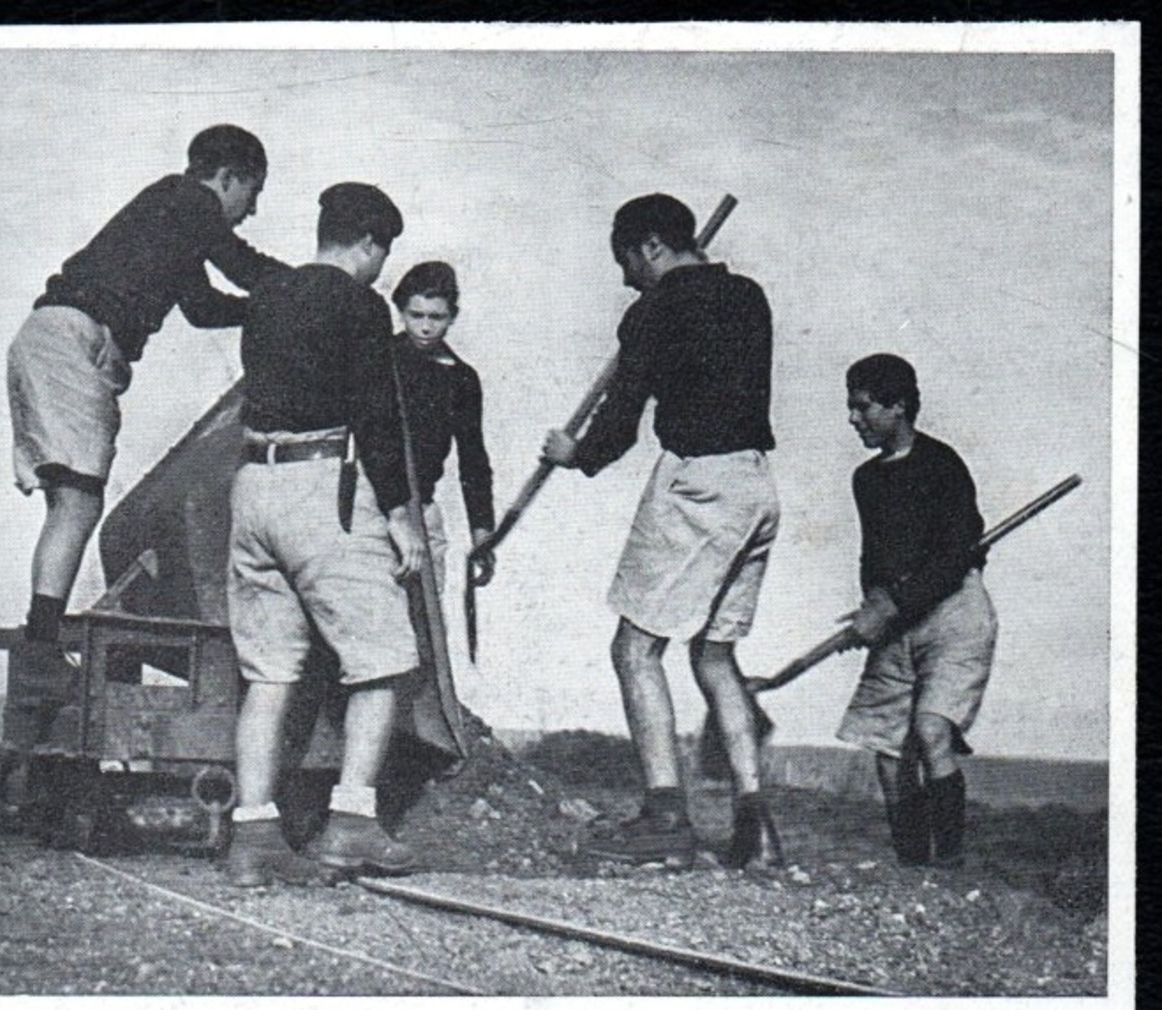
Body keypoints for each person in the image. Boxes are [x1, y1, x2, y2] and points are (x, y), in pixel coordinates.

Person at [2, 124, 289, 750]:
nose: (252, 209)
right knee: (77, 504)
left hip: (53, 338)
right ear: (229, 176)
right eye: (253, 191)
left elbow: (206, 307)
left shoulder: (170, 221)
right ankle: (40, 654)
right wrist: (313, 293)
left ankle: (40, 653)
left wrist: (267, 309)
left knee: (71, 503)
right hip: (73, 341)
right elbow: (241, 265)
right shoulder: (190, 200)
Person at [542, 193, 782, 870]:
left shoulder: (654, 310)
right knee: (713, 655)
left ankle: (666, 818)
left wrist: (575, 453)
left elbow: (620, 424)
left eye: (625, 261)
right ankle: (757, 827)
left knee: (635, 650)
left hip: (698, 484)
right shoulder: (748, 296)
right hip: (756, 484)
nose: (623, 278)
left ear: (649, 247)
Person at [225, 182, 427, 887]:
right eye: (382, 253)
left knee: (270, 671)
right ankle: (351, 822)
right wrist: (400, 515)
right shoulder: (360, 303)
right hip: (320, 485)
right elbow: (374, 412)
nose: (380, 269)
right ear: (369, 244)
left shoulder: (269, 294)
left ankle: (252, 836)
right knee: (385, 659)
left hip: (253, 485)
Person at [837, 353, 997, 868]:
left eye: (863, 408)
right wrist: (872, 606)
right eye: (850, 407)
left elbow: (956, 557)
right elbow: (873, 555)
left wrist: (894, 602)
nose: (853, 418)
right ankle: (912, 868)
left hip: (953, 614)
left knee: (931, 732)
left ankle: (947, 868)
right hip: (896, 620)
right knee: (886, 752)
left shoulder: (942, 464)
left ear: (898, 406)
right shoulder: (866, 478)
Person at [389, 261, 496, 590]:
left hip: (422, 511)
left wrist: (482, 533)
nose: (424, 327)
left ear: (452, 316)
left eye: (436, 318)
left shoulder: (460, 378)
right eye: (415, 315)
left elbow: (473, 459)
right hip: (373, 509)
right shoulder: (380, 360)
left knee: (429, 631)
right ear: (401, 311)